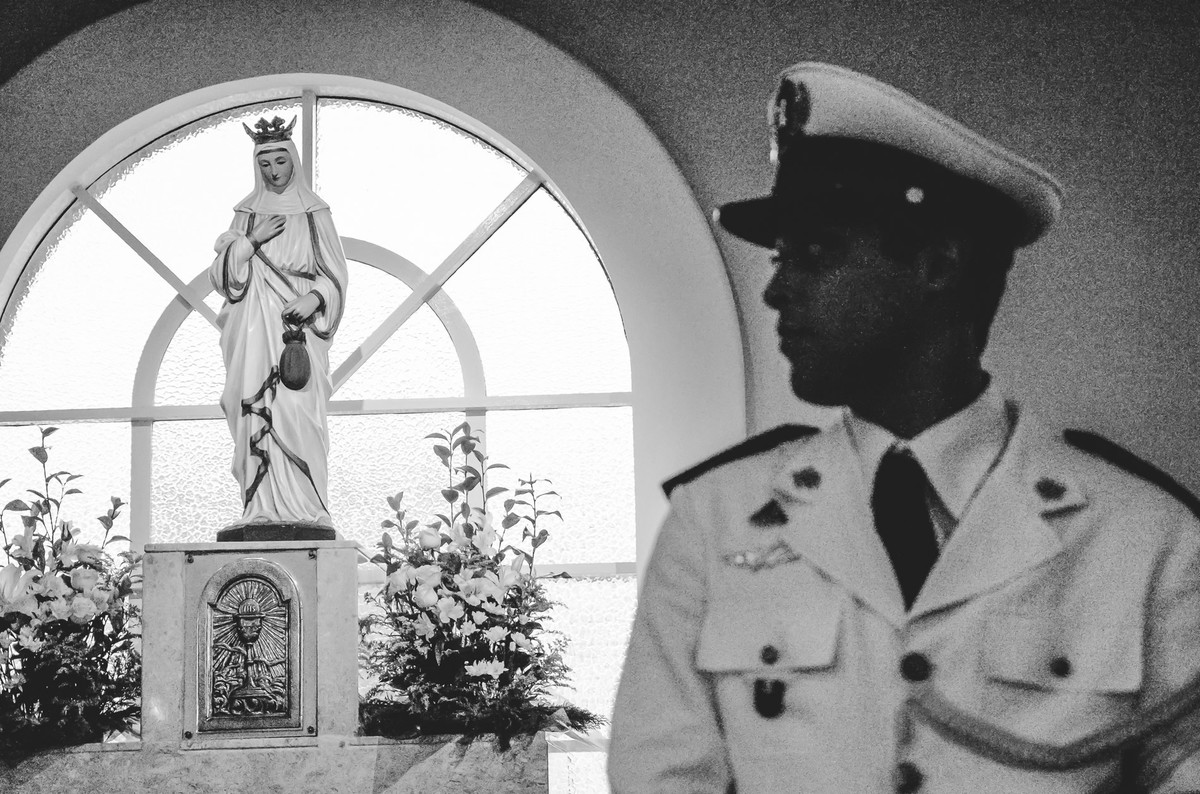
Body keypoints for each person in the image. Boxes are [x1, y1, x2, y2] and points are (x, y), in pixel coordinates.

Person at [608, 63, 1200, 793]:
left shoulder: (1144, 538)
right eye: (780, 258)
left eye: (815, 256)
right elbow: (661, 777)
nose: (775, 288)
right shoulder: (716, 522)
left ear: (936, 265)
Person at [209, 116, 348, 532]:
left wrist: (315, 297)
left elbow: (336, 273)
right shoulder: (246, 213)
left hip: (298, 333)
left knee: (298, 413)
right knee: (251, 404)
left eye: (280, 162)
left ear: (294, 162)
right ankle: (261, 507)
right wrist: (250, 241)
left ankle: (306, 506)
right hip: (253, 322)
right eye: (265, 163)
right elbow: (222, 277)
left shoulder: (314, 213)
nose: (273, 172)